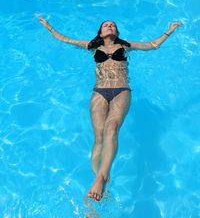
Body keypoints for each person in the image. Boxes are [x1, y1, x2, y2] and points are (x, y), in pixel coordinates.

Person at [38, 17, 182, 202]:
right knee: (98, 137)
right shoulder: (92, 46)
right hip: (99, 92)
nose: (109, 25)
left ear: (117, 32)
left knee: (111, 128)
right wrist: (49, 26)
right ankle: (100, 182)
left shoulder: (125, 46)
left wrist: (169, 30)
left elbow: (152, 45)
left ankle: (101, 179)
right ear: (100, 32)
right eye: (106, 24)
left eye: (112, 24)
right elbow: (66, 39)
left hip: (121, 91)